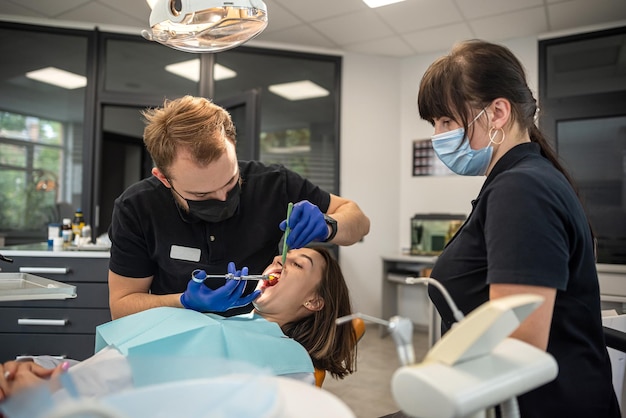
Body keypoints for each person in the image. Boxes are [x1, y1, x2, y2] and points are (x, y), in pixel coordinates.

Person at [404, 39, 619, 417]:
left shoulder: (522, 188)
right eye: (434, 123)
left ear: (498, 112)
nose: (438, 136)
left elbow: (517, 345)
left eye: (447, 120)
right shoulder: (523, 179)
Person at [107, 95, 370, 320]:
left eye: (231, 181)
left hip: (256, 336)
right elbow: (121, 306)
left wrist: (328, 225)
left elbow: (359, 222)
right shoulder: (137, 207)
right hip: (177, 342)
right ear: (164, 178)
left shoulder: (274, 184)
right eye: (202, 194)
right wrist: (183, 302)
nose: (222, 197)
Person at [0, 246, 357, 405]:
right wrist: (45, 368)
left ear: (313, 302)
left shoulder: (290, 359)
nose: (280, 259)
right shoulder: (225, 320)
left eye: (298, 264)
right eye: (282, 255)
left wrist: (57, 397)